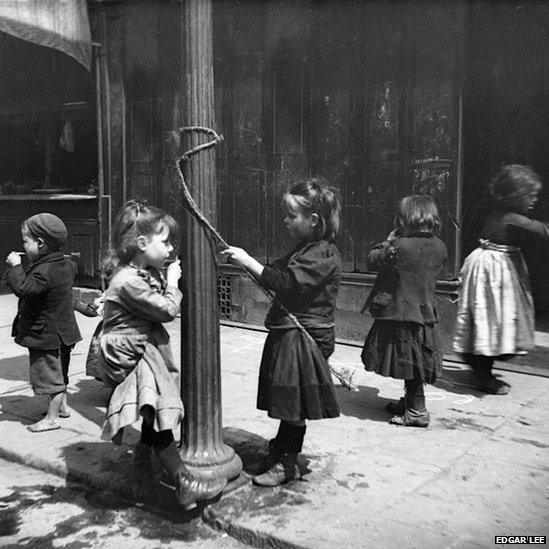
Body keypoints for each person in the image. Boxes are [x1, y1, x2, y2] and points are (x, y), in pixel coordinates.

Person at [98, 199, 226, 509]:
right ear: (141, 243)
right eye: (165, 241)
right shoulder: (128, 280)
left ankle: (142, 466)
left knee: (150, 408)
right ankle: (185, 483)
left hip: (143, 347)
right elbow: (167, 310)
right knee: (158, 417)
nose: (170, 249)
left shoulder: (138, 270)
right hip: (136, 352)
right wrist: (173, 283)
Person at [223, 177, 341, 486]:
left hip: (304, 338)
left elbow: (286, 283)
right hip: (291, 335)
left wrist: (248, 260)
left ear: (313, 220)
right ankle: (283, 448)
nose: (285, 221)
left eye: (292, 215)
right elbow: (275, 273)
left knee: (293, 402)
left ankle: (288, 463)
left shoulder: (323, 254)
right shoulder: (305, 248)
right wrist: (248, 263)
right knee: (290, 399)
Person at [453, 165, 549, 394]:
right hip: (495, 274)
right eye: (531, 195)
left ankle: (479, 361)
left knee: (493, 320)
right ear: (515, 196)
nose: (535, 200)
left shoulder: (502, 214)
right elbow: (541, 231)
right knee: (493, 319)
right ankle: (482, 370)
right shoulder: (512, 218)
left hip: (499, 270)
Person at [361, 195, 447, 427]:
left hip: (401, 314)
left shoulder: (398, 247)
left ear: (404, 219)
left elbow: (372, 260)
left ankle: (417, 411)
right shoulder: (439, 246)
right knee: (416, 361)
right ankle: (411, 401)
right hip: (425, 313)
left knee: (408, 360)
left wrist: (388, 241)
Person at [5, 213, 82, 432]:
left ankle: (51, 419)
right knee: (60, 373)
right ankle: (63, 408)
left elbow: (23, 289)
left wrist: (15, 266)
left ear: (40, 243)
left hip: (46, 335)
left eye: (25, 242)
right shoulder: (66, 265)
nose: (23, 246)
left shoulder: (43, 271)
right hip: (64, 332)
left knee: (49, 377)